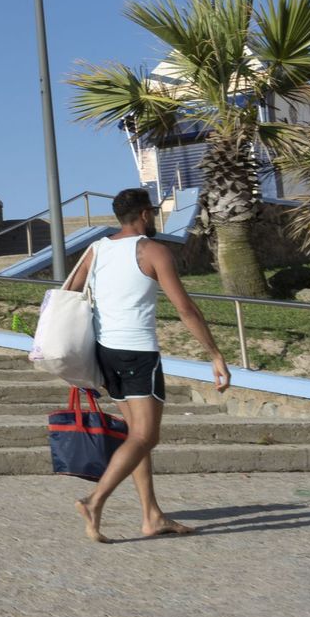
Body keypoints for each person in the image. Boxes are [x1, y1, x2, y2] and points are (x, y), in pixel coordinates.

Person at [66, 187, 231, 543]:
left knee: (135, 435)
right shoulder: (153, 251)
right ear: (143, 214)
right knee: (146, 435)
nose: (153, 217)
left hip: (105, 352)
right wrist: (215, 354)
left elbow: (70, 291)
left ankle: (151, 516)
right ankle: (94, 501)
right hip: (138, 354)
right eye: (152, 212)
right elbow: (185, 308)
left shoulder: (96, 249)